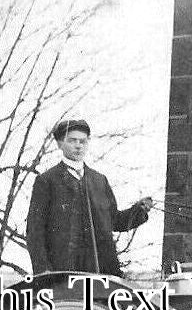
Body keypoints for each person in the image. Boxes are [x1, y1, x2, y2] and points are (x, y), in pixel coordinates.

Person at [26, 119, 153, 277]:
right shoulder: (47, 180)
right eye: (72, 140)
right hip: (62, 272)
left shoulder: (99, 181)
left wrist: (138, 211)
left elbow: (114, 220)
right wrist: (43, 271)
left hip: (101, 271)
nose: (78, 145)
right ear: (60, 143)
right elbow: (35, 231)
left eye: (83, 141)